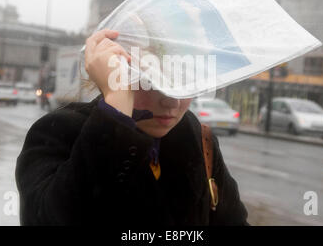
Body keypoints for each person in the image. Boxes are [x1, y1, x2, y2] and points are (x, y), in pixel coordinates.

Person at [15, 29, 249, 226]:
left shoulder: (199, 138)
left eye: (183, 83)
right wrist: (116, 109)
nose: (172, 101)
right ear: (118, 74)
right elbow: (50, 218)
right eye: (150, 82)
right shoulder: (58, 132)